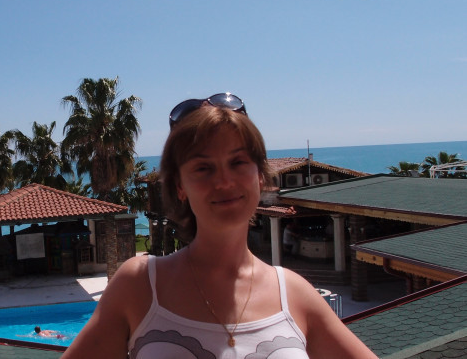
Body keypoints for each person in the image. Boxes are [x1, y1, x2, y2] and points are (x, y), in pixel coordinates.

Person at [63, 93, 376, 358]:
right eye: (203, 168)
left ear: (260, 177)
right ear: (180, 187)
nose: (224, 181)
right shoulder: (140, 285)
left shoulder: (295, 295)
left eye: (238, 162)